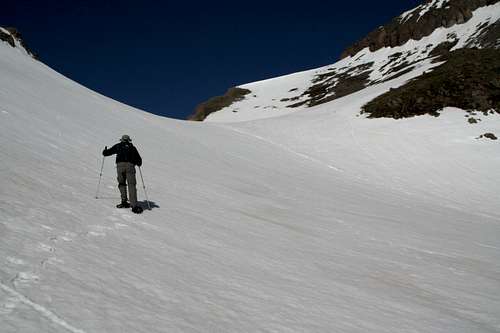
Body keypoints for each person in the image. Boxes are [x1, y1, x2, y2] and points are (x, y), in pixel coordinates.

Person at [103, 135, 143, 214]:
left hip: (120, 166)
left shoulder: (118, 146)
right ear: (129, 140)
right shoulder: (132, 148)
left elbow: (108, 152)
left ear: (122, 140)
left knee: (122, 183)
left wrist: (105, 151)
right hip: (130, 166)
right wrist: (137, 163)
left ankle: (124, 202)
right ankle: (134, 206)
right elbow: (139, 161)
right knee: (131, 185)